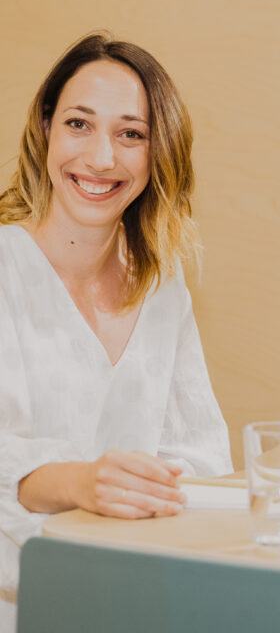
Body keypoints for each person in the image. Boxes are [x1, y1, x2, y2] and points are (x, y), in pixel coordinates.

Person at [0, 33, 232, 626]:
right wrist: (81, 483)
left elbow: (200, 458)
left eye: (131, 134)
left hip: (130, 599)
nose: (102, 158)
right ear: (45, 129)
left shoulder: (162, 285)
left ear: (158, 156)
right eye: (79, 124)